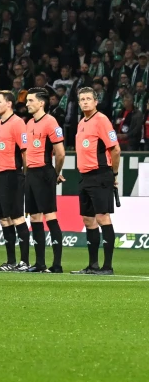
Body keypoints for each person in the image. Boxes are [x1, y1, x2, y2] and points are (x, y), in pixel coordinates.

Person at [73, 86, 121, 275]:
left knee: (102, 217)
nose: (84, 101)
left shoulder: (101, 120)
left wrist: (114, 174)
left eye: (88, 99)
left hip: (100, 174)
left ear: (96, 101)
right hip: (85, 176)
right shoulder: (81, 122)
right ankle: (92, 265)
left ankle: (107, 266)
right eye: (81, 99)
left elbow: (115, 149)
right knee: (88, 220)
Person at [21, 88, 67, 273]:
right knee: (34, 217)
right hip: (31, 174)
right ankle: (39, 263)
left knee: (50, 216)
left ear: (41, 103)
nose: (27, 103)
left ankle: (56, 265)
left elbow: (60, 152)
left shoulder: (50, 122)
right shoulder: (29, 123)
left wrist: (55, 173)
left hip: (45, 171)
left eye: (30, 100)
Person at [0, 90, 28, 272]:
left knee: (17, 216)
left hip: (13, 174)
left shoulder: (18, 123)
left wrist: (25, 176)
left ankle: (24, 261)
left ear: (9, 104)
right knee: (4, 219)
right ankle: (11, 261)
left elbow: (25, 151)